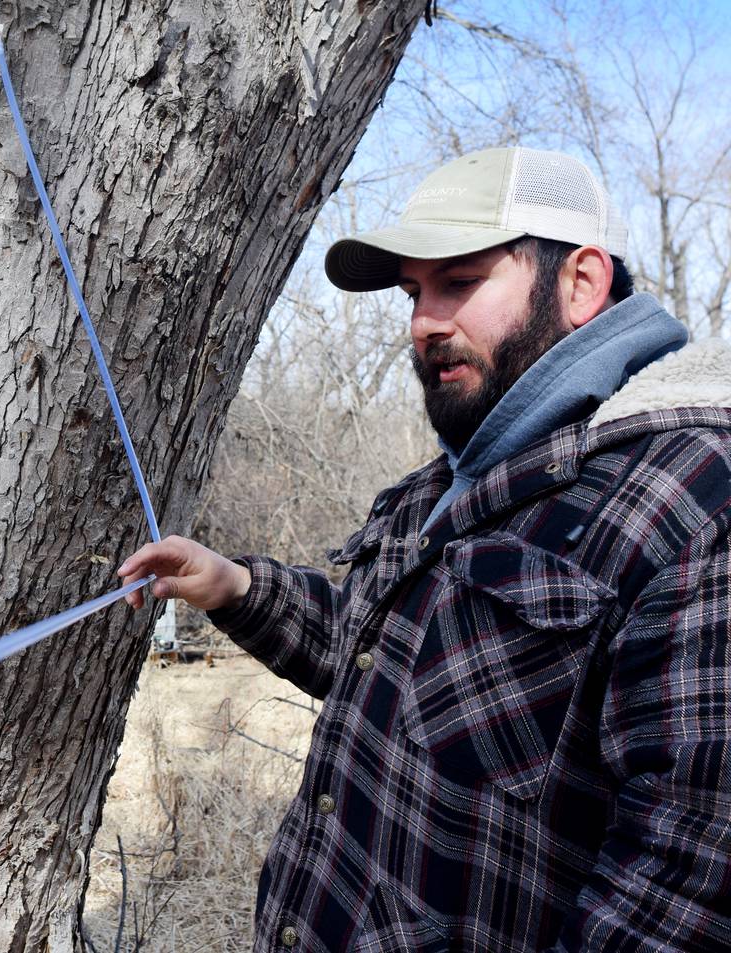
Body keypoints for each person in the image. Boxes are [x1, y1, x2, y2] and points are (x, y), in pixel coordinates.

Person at [118, 147, 731, 952]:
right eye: (414, 291)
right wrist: (233, 585)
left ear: (580, 283)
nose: (423, 323)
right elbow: (388, 657)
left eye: (461, 281)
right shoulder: (468, 468)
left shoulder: (694, 503)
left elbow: (685, 887)